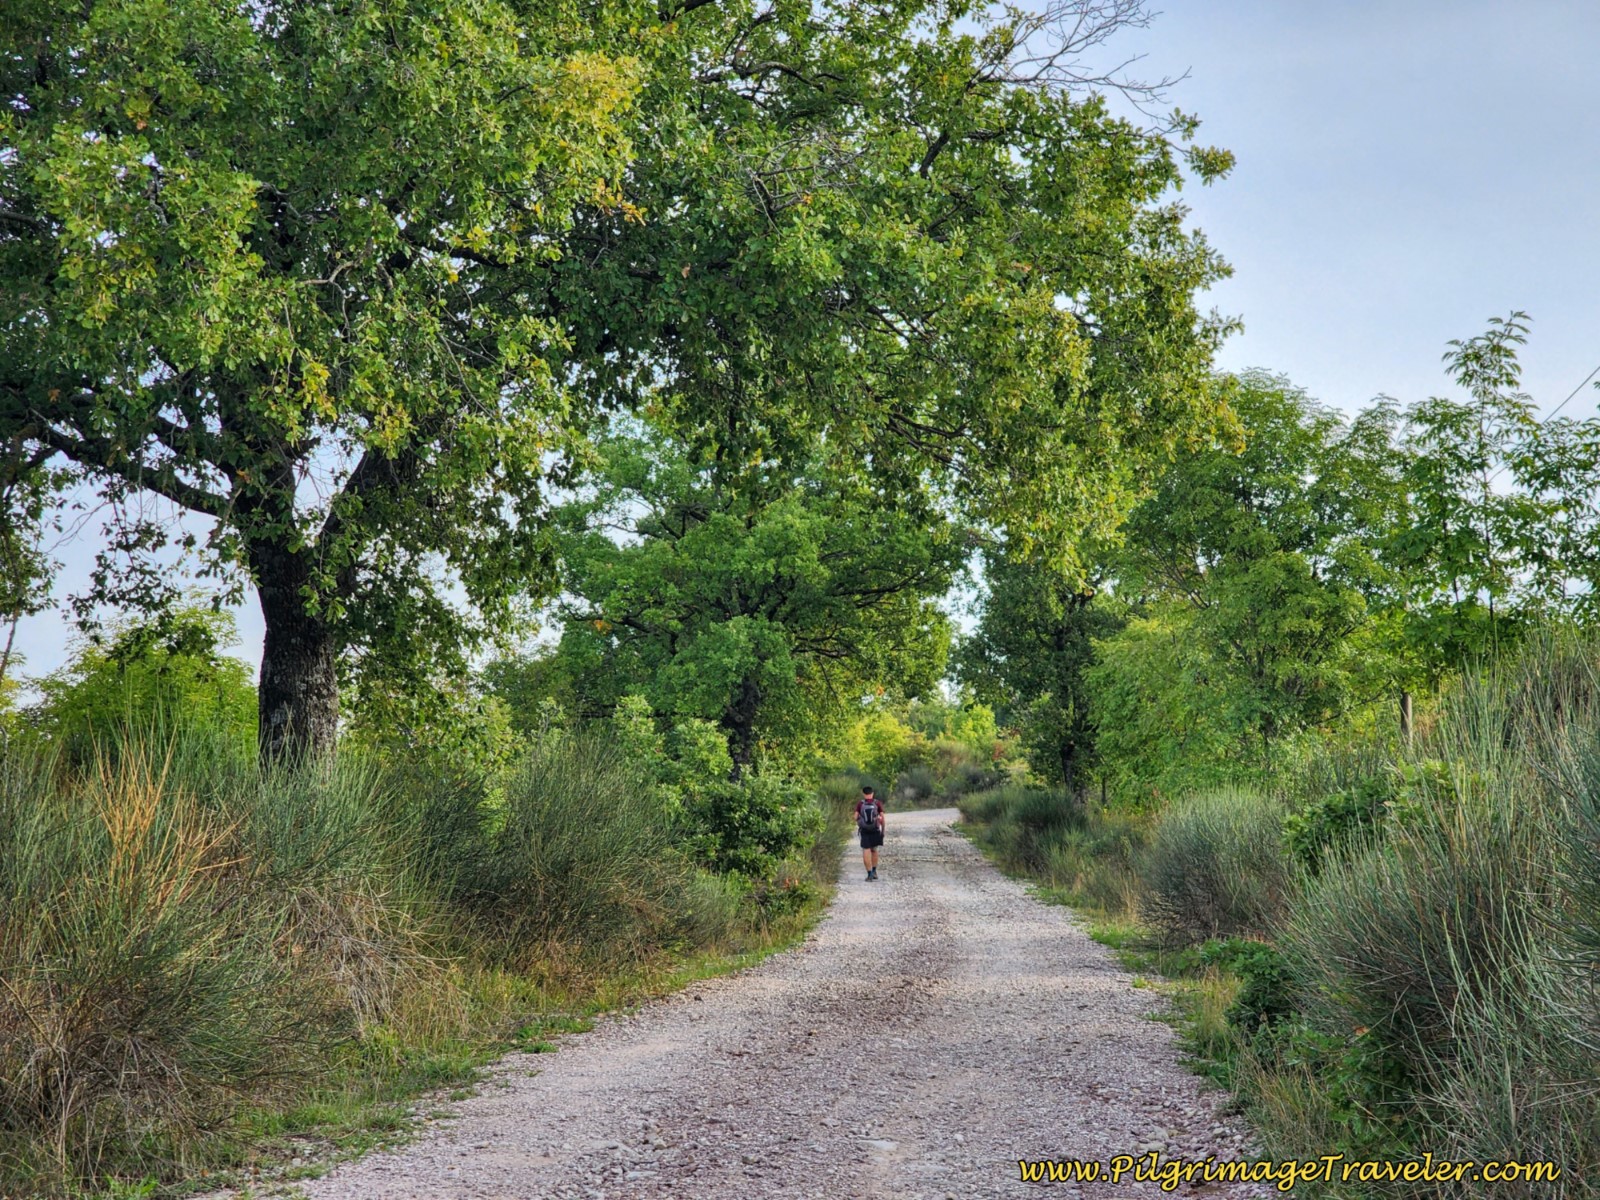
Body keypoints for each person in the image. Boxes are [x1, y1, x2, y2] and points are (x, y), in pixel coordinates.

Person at [856, 785, 885, 881]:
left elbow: (855, 817)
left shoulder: (860, 804)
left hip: (864, 831)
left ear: (863, 793)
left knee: (866, 850)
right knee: (874, 850)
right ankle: (874, 871)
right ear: (872, 793)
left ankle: (869, 875)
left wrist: (860, 822)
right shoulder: (877, 803)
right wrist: (883, 831)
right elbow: (883, 818)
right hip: (875, 830)